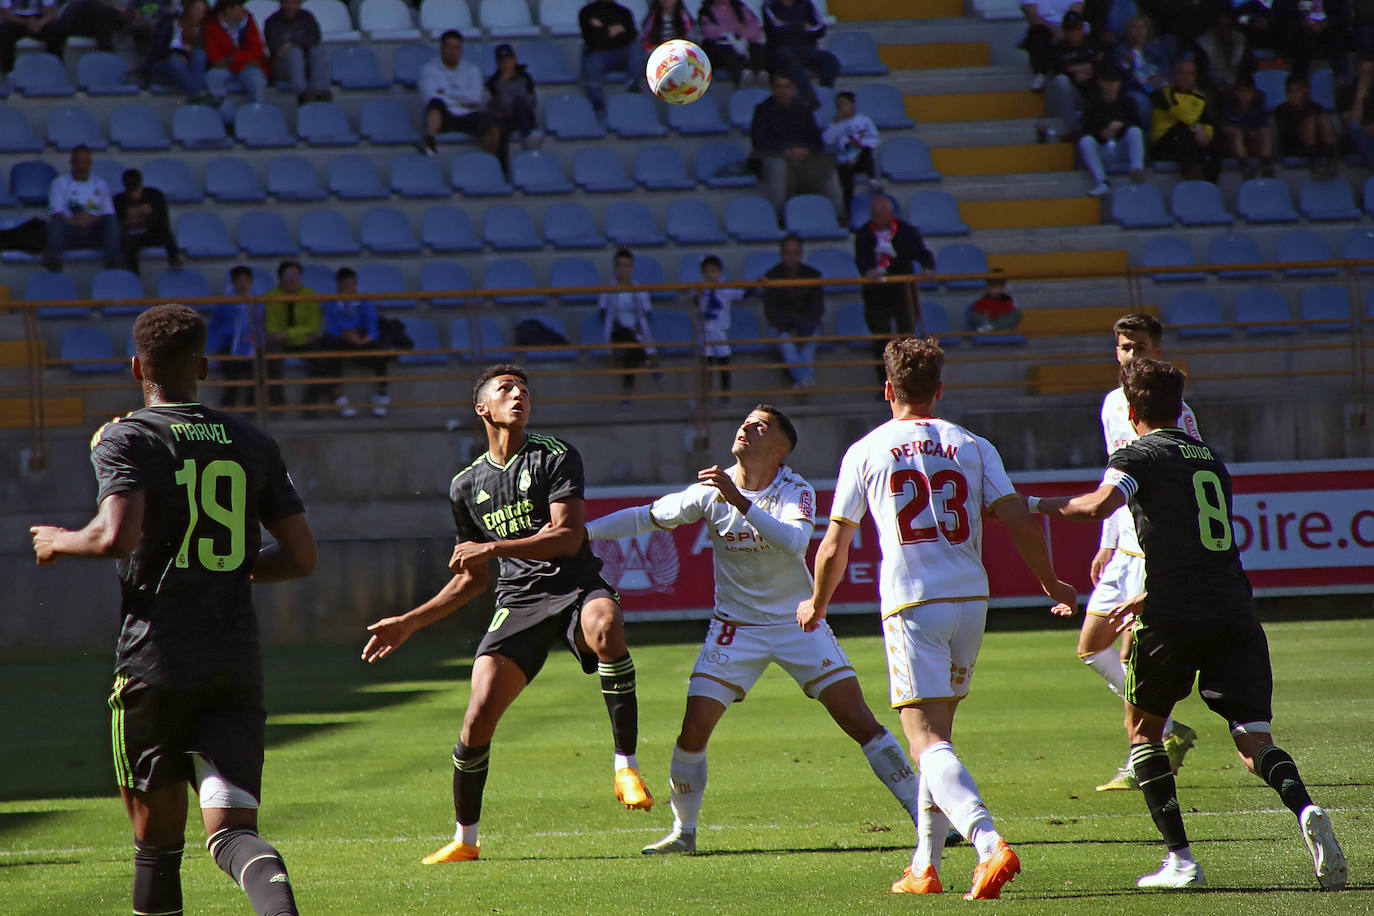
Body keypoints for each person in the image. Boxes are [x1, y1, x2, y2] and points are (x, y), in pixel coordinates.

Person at [29, 303, 316, 916]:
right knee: (234, 833)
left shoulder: (126, 436)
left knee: (158, 847)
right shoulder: (253, 442)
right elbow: (300, 556)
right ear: (206, 367)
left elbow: (115, 537)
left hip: (156, 660)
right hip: (234, 659)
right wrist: (228, 567)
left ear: (137, 366)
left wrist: (57, 539)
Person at [1027, 358, 1347, 892]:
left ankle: (1181, 860)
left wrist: (1027, 504)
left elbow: (1095, 507)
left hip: (1174, 615)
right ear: (1180, 407)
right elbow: (1203, 544)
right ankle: (1305, 807)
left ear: (1131, 412)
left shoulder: (1137, 455)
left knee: (1144, 731)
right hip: (1234, 606)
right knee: (1252, 739)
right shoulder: (1210, 458)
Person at [799, 337, 1077, 898]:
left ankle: (987, 841)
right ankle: (924, 866)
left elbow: (834, 544)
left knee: (924, 741)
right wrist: (1051, 582)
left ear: (887, 390)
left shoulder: (867, 450)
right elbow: (1019, 519)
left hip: (912, 602)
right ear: (940, 390)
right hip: (971, 602)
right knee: (938, 737)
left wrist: (818, 602)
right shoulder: (971, 444)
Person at [586, 405, 925, 856]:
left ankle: (928, 820)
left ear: (780, 449)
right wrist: (582, 534)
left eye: (760, 425)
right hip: (735, 629)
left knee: (860, 722)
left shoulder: (795, 488)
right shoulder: (712, 489)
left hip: (798, 623)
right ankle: (684, 833)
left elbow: (795, 541)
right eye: (746, 421)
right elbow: (646, 516)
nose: (746, 427)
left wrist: (739, 501)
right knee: (693, 730)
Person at [362, 364, 654, 863]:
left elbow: (566, 536)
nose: (519, 394)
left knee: (605, 624)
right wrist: (409, 621)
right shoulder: (465, 486)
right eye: (506, 389)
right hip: (516, 603)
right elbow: (471, 577)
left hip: (575, 585)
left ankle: (625, 766)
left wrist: (492, 547)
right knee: (477, 718)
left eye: (524, 389)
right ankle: (465, 839)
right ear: (483, 409)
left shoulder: (555, 456)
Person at [1081, 313, 1201, 792]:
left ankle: (1143, 754)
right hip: (1124, 547)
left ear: (1158, 352)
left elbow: (1185, 482)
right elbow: (1118, 478)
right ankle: (1169, 731)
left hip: (1154, 550)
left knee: (1137, 656)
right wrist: (1108, 540)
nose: (1132, 356)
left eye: (1141, 347)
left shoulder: (1178, 414)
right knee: (1091, 647)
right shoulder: (1112, 404)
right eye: (1125, 347)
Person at [854, 195, 933, 383]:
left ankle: (909, 381)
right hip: (876, 294)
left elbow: (922, 252)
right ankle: (885, 383)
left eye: (881, 214)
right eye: (874, 214)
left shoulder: (906, 231)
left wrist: (927, 266)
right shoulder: (864, 233)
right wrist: (868, 270)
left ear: (891, 214)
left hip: (902, 292)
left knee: (908, 339)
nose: (877, 217)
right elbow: (861, 258)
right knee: (880, 340)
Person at [751, 71, 843, 215]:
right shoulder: (762, 110)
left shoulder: (803, 109)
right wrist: (786, 151)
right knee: (778, 167)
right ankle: (780, 219)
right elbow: (759, 142)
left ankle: (838, 217)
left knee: (829, 169)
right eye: (778, 87)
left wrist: (805, 150)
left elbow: (816, 140)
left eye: (787, 86)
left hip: (805, 158)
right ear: (772, 89)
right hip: (776, 156)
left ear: (793, 89)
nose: (783, 91)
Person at [318, 267, 390, 419]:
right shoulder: (331, 303)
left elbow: (372, 325)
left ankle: (381, 393)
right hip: (341, 339)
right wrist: (346, 335)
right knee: (330, 352)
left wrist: (366, 338)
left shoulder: (363, 301)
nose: (351, 289)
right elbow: (332, 327)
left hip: (362, 338)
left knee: (381, 351)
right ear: (339, 285)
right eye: (347, 285)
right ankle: (338, 396)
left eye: (353, 285)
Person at [417, 30, 500, 159]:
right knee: (435, 105)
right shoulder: (429, 69)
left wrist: (445, 92)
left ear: (461, 50)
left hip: (468, 114)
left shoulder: (472, 69)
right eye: (449, 47)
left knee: (490, 121)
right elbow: (430, 98)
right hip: (445, 116)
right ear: (441, 48)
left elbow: (475, 98)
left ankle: (489, 161)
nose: (452, 51)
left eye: (456, 48)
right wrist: (462, 97)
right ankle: (430, 142)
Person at [45, 144, 121, 273]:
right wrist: (76, 221)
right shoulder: (59, 183)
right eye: (78, 162)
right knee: (56, 221)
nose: (82, 166)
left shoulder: (101, 184)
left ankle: (113, 262)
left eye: (86, 162)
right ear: (72, 163)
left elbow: (108, 212)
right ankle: (55, 261)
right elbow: (57, 212)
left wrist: (89, 219)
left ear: (90, 163)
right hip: (70, 230)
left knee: (112, 220)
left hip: (94, 231)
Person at [762, 234, 823, 389]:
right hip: (781, 327)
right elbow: (771, 311)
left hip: (808, 325)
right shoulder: (771, 276)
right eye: (788, 252)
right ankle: (805, 379)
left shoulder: (813, 275)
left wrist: (804, 328)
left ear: (800, 254)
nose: (791, 257)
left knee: (811, 341)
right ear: (782, 254)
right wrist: (789, 328)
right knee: (786, 343)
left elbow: (817, 308)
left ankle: (799, 381)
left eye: (795, 253)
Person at [263, 260, 323, 410]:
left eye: (296, 275)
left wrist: (288, 334)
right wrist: (299, 334)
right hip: (281, 342)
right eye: (288, 275)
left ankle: (310, 406)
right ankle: (278, 404)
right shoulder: (270, 296)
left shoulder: (311, 295)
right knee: (271, 356)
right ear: (280, 278)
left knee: (321, 357)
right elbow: (272, 331)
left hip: (303, 341)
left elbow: (313, 327)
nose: (292, 279)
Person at [600, 248, 657, 407]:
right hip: (618, 331)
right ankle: (647, 360)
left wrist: (637, 329)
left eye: (627, 266)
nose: (624, 270)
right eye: (620, 266)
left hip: (636, 333)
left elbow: (646, 314)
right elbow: (604, 314)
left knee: (630, 352)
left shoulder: (639, 290)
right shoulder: (609, 290)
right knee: (627, 339)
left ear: (632, 268)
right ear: (615, 267)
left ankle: (627, 391)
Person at [1079, 67, 1147, 196]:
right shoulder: (1092, 103)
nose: (1110, 86)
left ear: (1119, 83)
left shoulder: (1128, 102)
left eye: (1113, 82)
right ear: (1101, 83)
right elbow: (1085, 129)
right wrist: (1101, 133)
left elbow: (1138, 124)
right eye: (1107, 82)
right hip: (1103, 148)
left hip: (1122, 148)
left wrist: (1122, 125)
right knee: (1085, 142)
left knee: (1135, 131)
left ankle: (1137, 170)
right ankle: (1102, 182)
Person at [1150, 56, 1219, 182]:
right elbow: (1180, 113)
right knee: (1182, 130)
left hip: (1191, 140)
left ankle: (1211, 185)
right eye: (1182, 72)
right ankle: (1191, 178)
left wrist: (1206, 137)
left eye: (1190, 73)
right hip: (1164, 144)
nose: (1186, 77)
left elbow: (1208, 122)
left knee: (1216, 141)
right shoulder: (1163, 93)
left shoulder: (1201, 97)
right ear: (1174, 74)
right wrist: (1197, 125)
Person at [761, 0, 837, 106]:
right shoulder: (770, 6)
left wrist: (788, 25)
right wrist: (803, 26)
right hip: (780, 50)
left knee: (831, 60)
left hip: (806, 49)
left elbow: (820, 29)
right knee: (787, 57)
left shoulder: (806, 4)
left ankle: (825, 94)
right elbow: (776, 30)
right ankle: (808, 95)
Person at [208, 265, 259, 408]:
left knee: (255, 371)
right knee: (232, 372)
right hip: (228, 345)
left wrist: (256, 342)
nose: (243, 285)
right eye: (239, 281)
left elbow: (261, 327)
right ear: (233, 283)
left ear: (251, 282)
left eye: (246, 281)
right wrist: (217, 346)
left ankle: (252, 408)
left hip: (251, 345)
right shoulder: (225, 303)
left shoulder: (257, 304)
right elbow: (214, 327)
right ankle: (227, 407)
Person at [1045, 12, 1103, 137]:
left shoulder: (1093, 44)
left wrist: (1077, 69)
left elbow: (1103, 67)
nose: (1073, 32)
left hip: (1093, 92)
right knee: (1061, 80)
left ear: (1083, 29)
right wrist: (1088, 68)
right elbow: (1058, 69)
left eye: (1077, 28)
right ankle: (1073, 129)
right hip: (1074, 95)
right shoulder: (1058, 47)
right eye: (1069, 28)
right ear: (1064, 30)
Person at [823, 90, 881, 214]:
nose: (841, 108)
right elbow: (827, 140)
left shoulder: (864, 121)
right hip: (846, 160)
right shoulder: (838, 124)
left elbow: (875, 139)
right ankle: (848, 212)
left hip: (861, 158)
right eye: (838, 105)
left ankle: (872, 180)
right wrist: (835, 124)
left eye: (844, 104)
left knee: (867, 150)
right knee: (845, 180)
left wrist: (861, 144)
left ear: (852, 104)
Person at [114, 168, 180, 275]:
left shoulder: (155, 195)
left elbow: (163, 220)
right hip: (132, 236)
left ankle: (175, 260)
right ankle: (133, 276)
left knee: (166, 232)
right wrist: (129, 221)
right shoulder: (118, 200)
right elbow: (118, 225)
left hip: (151, 232)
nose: (134, 195)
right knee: (127, 244)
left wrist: (148, 216)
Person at [262, 0, 329, 104]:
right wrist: (298, 46)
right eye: (287, 3)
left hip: (307, 63)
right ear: (281, 4)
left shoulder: (307, 17)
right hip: (283, 67)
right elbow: (276, 49)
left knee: (318, 50)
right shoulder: (272, 22)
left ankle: (321, 92)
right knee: (295, 53)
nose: (290, 6)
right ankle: (302, 94)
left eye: (294, 3)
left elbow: (315, 39)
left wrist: (292, 44)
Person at [1272, 73, 1338, 176]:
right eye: (1295, 91)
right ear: (1288, 93)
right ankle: (1316, 162)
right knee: (1311, 120)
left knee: (1323, 118)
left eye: (1302, 89)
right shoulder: (1281, 110)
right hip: (1294, 146)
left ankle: (1329, 158)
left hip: (1319, 144)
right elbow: (1286, 133)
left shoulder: (1315, 107)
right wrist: (1306, 120)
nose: (1299, 94)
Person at [204, 0, 268, 106]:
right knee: (213, 77)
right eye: (239, 6)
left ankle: (257, 112)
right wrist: (245, 60)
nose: (244, 10)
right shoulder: (212, 27)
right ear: (229, 10)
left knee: (257, 81)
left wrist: (234, 59)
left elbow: (257, 51)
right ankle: (227, 117)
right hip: (227, 70)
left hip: (246, 69)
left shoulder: (249, 24)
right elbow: (216, 58)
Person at [579, 0, 637, 115]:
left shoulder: (624, 12)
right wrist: (613, 30)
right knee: (593, 62)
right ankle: (598, 107)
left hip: (621, 55)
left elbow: (631, 36)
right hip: (598, 54)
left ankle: (634, 87)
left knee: (637, 48)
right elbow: (592, 40)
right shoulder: (587, 12)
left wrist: (602, 30)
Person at [142, 0, 209, 97]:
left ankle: (196, 92)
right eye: (196, 9)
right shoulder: (171, 21)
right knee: (176, 63)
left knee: (200, 54)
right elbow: (158, 48)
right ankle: (199, 94)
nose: (199, 13)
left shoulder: (200, 29)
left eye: (203, 11)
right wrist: (177, 53)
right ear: (188, 9)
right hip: (164, 63)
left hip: (187, 67)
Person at [696, 255, 739, 403]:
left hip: (721, 332)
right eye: (708, 272)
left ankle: (725, 396)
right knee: (707, 365)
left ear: (720, 272)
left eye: (714, 271)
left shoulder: (725, 290)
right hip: (706, 332)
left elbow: (743, 293)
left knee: (723, 362)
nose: (711, 275)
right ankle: (706, 396)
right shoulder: (700, 290)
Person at [486, 44, 537, 169]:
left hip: (523, 115)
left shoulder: (525, 78)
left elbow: (531, 100)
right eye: (502, 61)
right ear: (497, 63)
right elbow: (490, 103)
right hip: (504, 118)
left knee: (520, 105)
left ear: (514, 60)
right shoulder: (493, 82)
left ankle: (528, 144)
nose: (506, 64)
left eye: (508, 60)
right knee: (499, 131)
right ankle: (503, 169)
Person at [1114, 15, 1169, 130]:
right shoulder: (1121, 50)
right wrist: (1128, 62)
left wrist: (1159, 77)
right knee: (1143, 104)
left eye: (1142, 27)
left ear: (1147, 30)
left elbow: (1166, 69)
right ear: (1128, 31)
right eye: (1134, 27)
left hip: (1157, 87)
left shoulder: (1156, 49)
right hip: (1133, 89)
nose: (1138, 31)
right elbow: (1120, 72)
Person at [1218, 73, 1274, 179]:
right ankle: (1244, 166)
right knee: (1236, 133)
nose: (1245, 96)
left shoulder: (1259, 108)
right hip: (1234, 146)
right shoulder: (1228, 108)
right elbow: (1224, 128)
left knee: (1265, 132)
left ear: (1254, 93)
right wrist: (1240, 132)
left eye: (1248, 92)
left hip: (1253, 144)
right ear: (1236, 93)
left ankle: (1266, 165)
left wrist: (1250, 133)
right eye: (1242, 92)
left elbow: (1263, 126)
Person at [1019, 0, 1084, 91]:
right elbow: (1033, 17)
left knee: (1077, 30)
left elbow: (1076, 11)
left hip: (1067, 26)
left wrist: (1064, 29)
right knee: (1038, 35)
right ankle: (1040, 74)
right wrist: (1054, 30)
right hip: (1043, 28)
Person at [697, 0, 765, 86]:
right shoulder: (706, 12)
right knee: (726, 52)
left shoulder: (740, 8)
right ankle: (741, 82)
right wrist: (736, 28)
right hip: (720, 48)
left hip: (741, 43)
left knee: (759, 48)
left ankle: (759, 79)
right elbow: (709, 32)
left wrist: (738, 33)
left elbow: (754, 29)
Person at [0, 0, 65, 77]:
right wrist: (27, 23)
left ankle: (54, 70)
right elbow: (6, 15)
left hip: (38, 19)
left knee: (55, 31)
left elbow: (50, 13)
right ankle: (7, 73)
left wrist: (40, 23)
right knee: (4, 33)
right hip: (15, 21)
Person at [1193, 11, 1249, 96]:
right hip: (1211, 89)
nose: (1224, 30)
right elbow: (1202, 74)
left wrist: (1236, 86)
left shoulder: (1241, 40)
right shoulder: (1203, 44)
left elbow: (1246, 68)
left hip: (1237, 89)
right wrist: (1218, 88)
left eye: (1228, 26)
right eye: (1220, 26)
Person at [638, 0, 695, 81]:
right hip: (656, 55)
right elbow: (645, 38)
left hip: (680, 55)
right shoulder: (652, 17)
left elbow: (691, 39)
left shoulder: (684, 17)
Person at [1338, 55, 1374, 164]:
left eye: (1371, 72)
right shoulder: (1346, 92)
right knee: (1354, 126)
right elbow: (1352, 120)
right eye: (1363, 72)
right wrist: (1360, 97)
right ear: (1357, 72)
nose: (1367, 76)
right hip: (1356, 138)